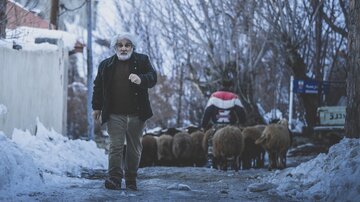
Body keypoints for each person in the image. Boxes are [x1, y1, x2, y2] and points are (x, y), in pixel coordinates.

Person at [92, 32, 157, 191]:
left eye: (127, 45)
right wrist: (96, 107)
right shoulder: (105, 65)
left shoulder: (142, 60)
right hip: (114, 114)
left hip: (137, 113)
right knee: (115, 146)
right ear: (115, 48)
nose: (123, 48)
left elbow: (153, 77)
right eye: (120, 45)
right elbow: (98, 87)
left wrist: (141, 79)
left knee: (134, 148)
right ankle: (114, 178)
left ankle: (131, 179)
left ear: (132, 47)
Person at [201, 79, 246, 168]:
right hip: (231, 126)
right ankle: (237, 159)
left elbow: (207, 112)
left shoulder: (214, 96)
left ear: (220, 86)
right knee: (239, 140)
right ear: (231, 87)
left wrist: (204, 125)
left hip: (217, 126)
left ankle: (211, 157)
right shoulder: (234, 97)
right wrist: (242, 122)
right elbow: (241, 112)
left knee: (210, 138)